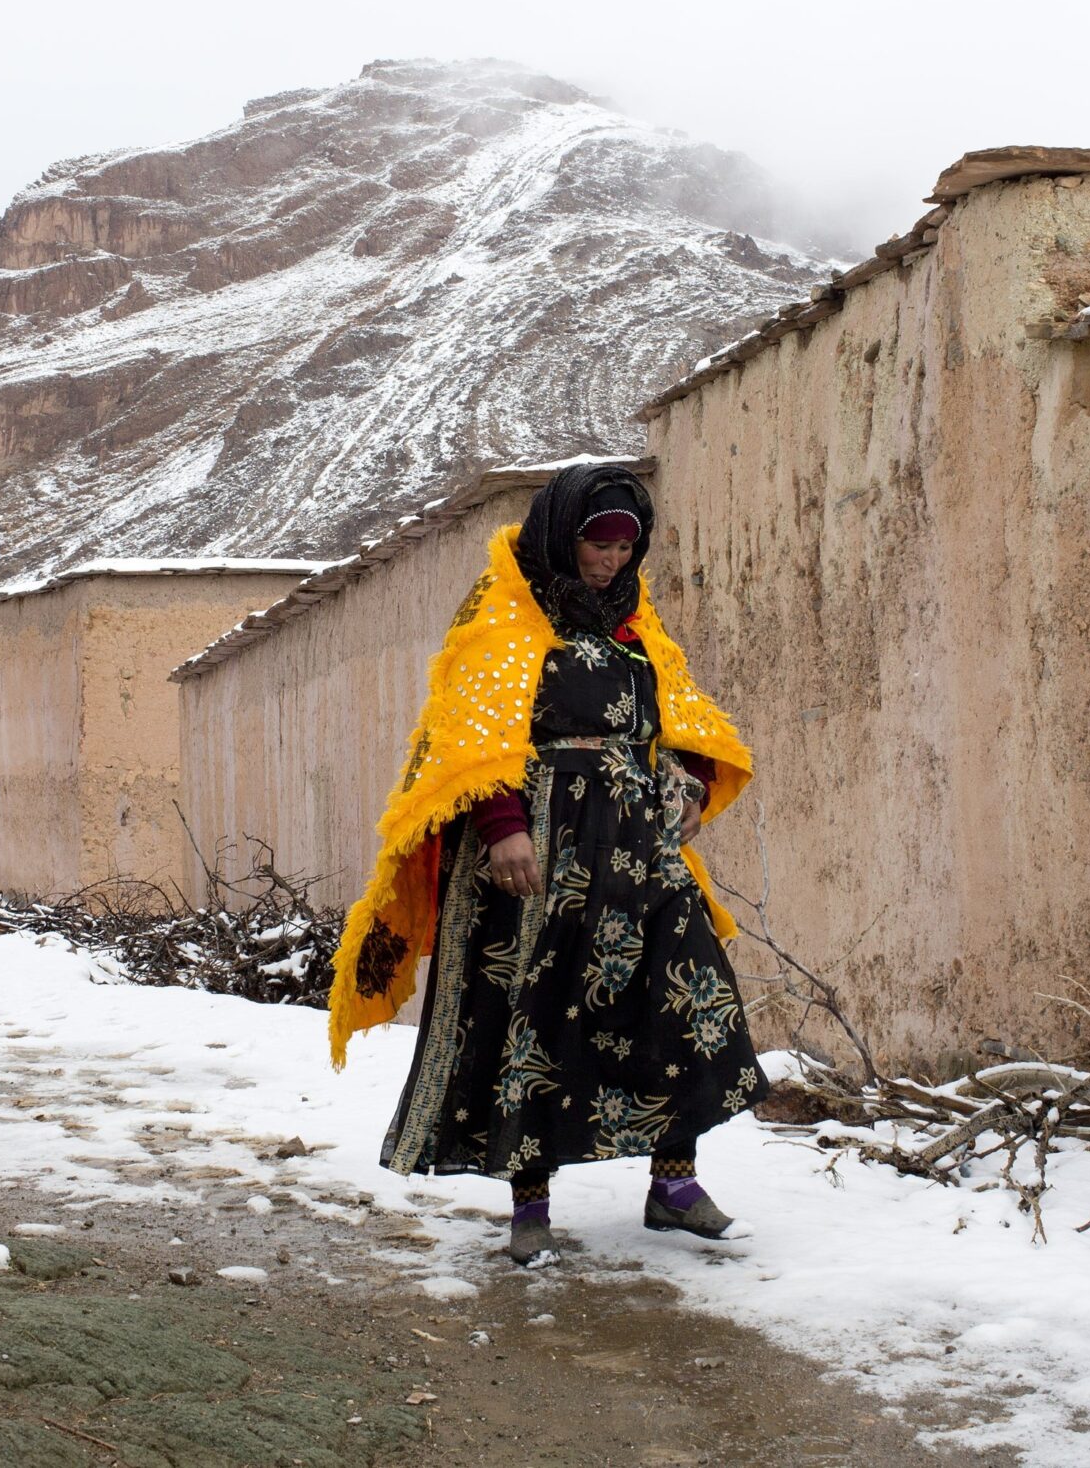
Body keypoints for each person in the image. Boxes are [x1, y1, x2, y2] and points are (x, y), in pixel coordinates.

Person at [326, 463, 767, 1266]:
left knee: (681, 997)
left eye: (626, 546)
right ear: (565, 536)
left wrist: (693, 785)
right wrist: (502, 826)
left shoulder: (635, 623)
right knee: (533, 1007)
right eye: (598, 543)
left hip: (638, 849)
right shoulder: (503, 611)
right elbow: (467, 731)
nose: (611, 560)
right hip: (538, 850)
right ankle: (530, 1202)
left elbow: (676, 714)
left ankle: (675, 1184)